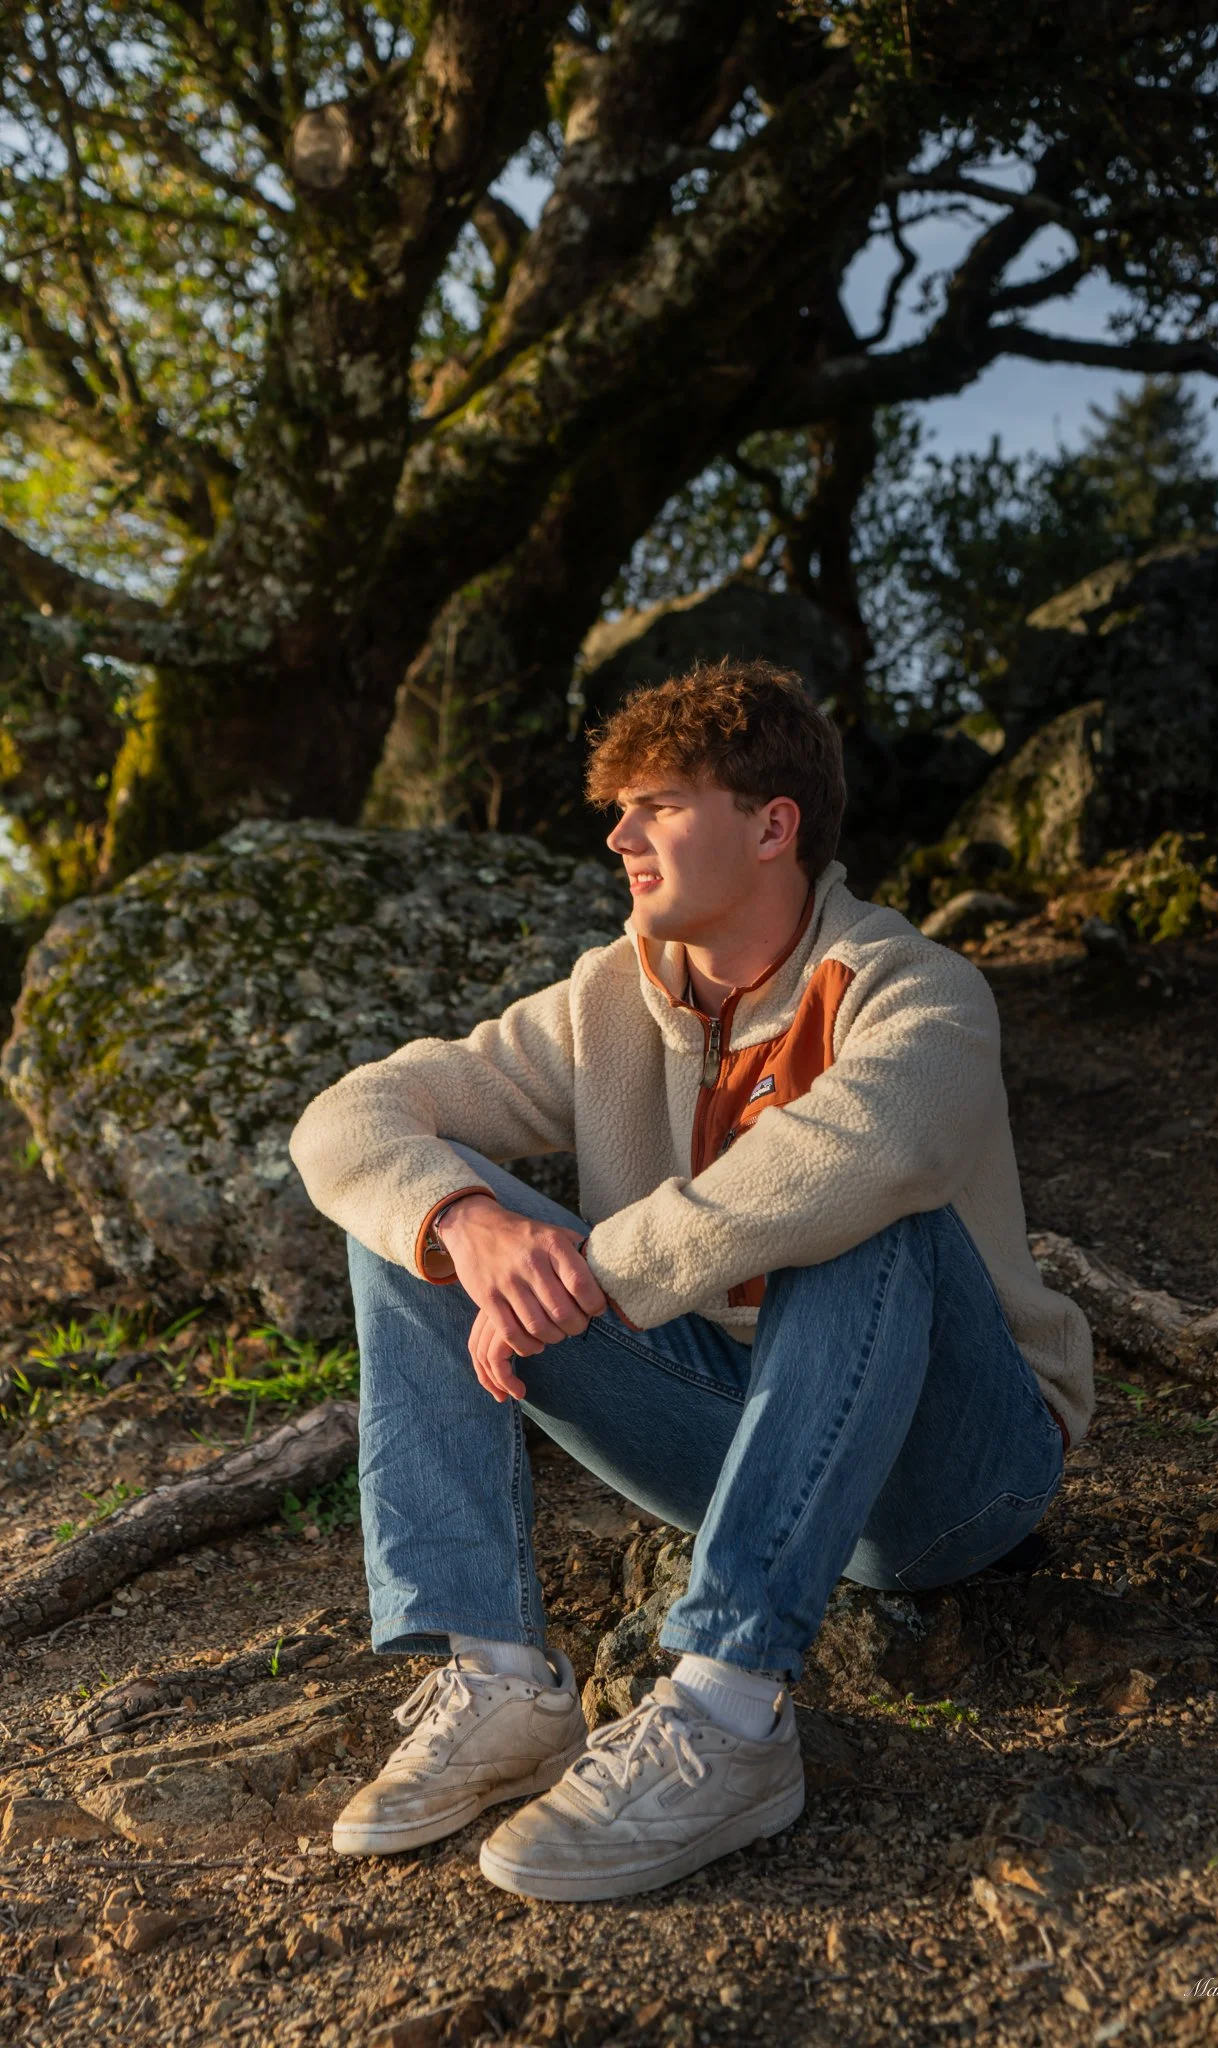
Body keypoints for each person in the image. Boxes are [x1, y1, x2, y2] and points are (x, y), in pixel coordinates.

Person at [289, 658, 1093, 1903]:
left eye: (657, 805)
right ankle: (497, 1676)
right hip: (731, 1431)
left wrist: (594, 1270)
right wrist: (465, 1226)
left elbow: (878, 1151)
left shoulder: (914, 986)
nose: (619, 837)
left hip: (949, 1472)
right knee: (419, 1205)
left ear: (772, 826)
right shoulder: (606, 1000)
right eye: (618, 810)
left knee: (863, 1210)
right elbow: (348, 1115)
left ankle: (727, 1712)